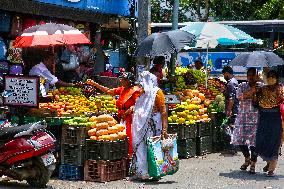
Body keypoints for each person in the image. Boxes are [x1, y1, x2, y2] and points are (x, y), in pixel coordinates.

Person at [90, 72, 141, 156]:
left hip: (130, 120)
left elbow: (138, 105)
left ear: (129, 81)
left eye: (123, 79)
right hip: (121, 117)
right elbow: (108, 91)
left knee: (129, 138)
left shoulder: (135, 91)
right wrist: (94, 84)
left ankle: (130, 157)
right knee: (121, 137)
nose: (121, 80)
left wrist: (129, 110)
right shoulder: (122, 89)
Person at [130, 71, 168, 180]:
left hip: (153, 126)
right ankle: (143, 172)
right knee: (141, 147)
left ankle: (155, 172)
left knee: (153, 148)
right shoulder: (143, 93)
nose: (141, 84)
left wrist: (164, 130)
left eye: (143, 81)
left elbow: (163, 111)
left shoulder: (157, 93)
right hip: (142, 126)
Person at [231, 68, 263, 174]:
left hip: (256, 118)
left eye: (253, 75)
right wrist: (252, 91)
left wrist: (256, 92)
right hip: (242, 117)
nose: (251, 77)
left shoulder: (261, 87)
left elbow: (262, 101)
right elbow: (239, 97)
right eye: (249, 75)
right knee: (240, 139)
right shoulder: (242, 86)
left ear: (257, 75)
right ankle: (247, 159)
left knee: (254, 142)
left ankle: (253, 163)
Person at [254, 70, 283, 176]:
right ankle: (268, 161)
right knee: (262, 141)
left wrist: (280, 94)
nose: (271, 78)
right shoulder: (262, 89)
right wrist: (255, 93)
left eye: (273, 77)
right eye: (269, 77)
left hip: (275, 117)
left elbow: (282, 101)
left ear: (276, 78)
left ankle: (271, 168)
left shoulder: (281, 88)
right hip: (263, 117)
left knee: (274, 142)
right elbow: (255, 104)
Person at [222, 66, 239, 154]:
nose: (224, 76)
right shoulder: (235, 81)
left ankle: (233, 147)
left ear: (227, 73)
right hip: (235, 108)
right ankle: (234, 146)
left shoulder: (231, 83)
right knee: (232, 127)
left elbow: (231, 98)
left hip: (233, 109)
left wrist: (229, 110)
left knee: (230, 128)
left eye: (224, 74)